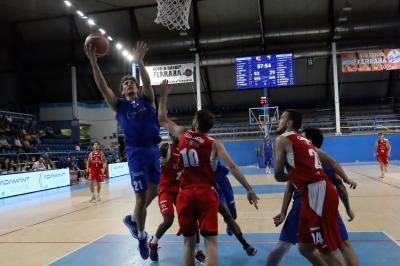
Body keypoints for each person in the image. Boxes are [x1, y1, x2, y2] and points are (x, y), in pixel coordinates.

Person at [158, 79, 259, 266]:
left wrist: (164, 95)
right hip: (206, 193)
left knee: (188, 243)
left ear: (195, 122)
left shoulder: (182, 133)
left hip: (186, 194)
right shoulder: (214, 143)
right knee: (211, 242)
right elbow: (233, 168)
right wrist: (249, 189)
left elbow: (162, 118)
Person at [85, 41, 160, 259]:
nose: (129, 85)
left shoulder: (148, 100)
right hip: (136, 153)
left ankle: (133, 220)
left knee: (154, 190)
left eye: (131, 83)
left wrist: (139, 62)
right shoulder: (119, 105)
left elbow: (147, 82)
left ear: (137, 88)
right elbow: (102, 87)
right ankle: (142, 237)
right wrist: (93, 62)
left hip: (153, 150)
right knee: (141, 196)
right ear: (122, 90)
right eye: (125, 84)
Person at [273, 109, 357, 266]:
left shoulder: (282, 140)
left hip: (318, 193)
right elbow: (330, 159)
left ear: (290, 123)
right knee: (305, 247)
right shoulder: (304, 141)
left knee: (326, 249)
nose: (279, 120)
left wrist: (292, 175)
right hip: (312, 195)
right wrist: (346, 178)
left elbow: (277, 175)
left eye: (282, 117)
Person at [148, 135, 206, 263]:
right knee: (168, 220)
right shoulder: (166, 148)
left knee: (193, 221)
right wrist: (159, 162)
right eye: (174, 134)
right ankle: (153, 243)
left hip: (180, 191)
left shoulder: (187, 152)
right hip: (165, 191)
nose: (177, 136)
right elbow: (153, 160)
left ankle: (198, 251)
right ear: (170, 135)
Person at [215, 162, 257, 256]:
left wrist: (249, 189)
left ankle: (230, 226)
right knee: (228, 216)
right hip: (211, 185)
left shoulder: (216, 147)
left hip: (223, 182)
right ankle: (246, 245)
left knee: (233, 216)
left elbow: (232, 166)